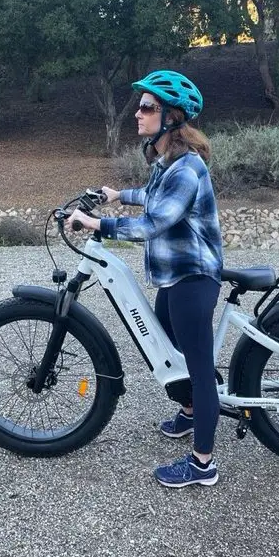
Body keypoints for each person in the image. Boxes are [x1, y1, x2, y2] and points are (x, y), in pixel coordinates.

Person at [66, 70, 224, 488]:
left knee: (201, 367)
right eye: (140, 106)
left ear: (171, 118)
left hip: (193, 279)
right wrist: (118, 194)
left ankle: (202, 464)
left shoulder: (187, 170)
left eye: (147, 107)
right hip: (175, 279)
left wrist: (98, 223)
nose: (138, 113)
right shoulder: (166, 162)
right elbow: (151, 194)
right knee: (171, 344)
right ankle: (191, 412)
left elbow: (155, 222)